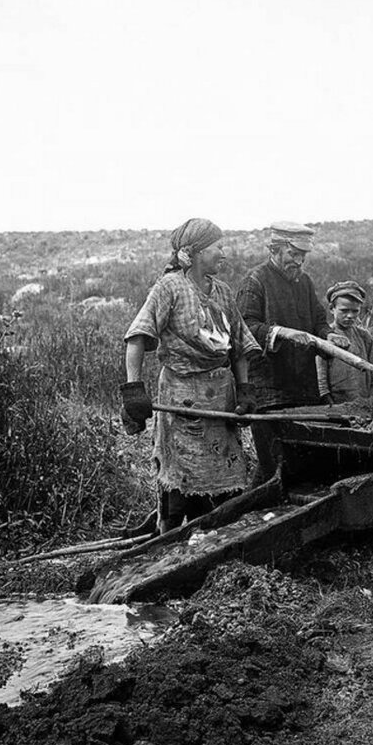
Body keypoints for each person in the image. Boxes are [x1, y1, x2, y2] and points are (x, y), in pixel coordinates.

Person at [119, 218, 261, 534]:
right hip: (181, 397)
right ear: (194, 252)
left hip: (219, 400)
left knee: (224, 479)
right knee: (179, 478)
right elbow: (137, 337)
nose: (224, 253)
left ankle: (218, 537)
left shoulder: (223, 292)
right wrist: (133, 388)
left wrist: (246, 389)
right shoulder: (169, 288)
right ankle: (168, 541)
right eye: (218, 247)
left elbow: (238, 346)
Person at [236, 221, 350, 480]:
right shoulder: (255, 281)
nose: (298, 262)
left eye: (303, 256)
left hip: (304, 391)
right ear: (274, 250)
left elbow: (319, 321)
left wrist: (329, 335)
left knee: (303, 468)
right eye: (293, 254)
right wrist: (282, 333)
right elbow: (244, 330)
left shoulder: (304, 283)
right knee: (273, 468)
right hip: (269, 394)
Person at [316, 280, 373, 404]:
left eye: (355, 311)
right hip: (336, 404)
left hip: (363, 402)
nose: (350, 316)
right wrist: (330, 403)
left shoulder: (364, 337)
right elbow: (321, 380)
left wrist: (370, 400)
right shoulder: (326, 338)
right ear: (332, 309)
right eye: (344, 310)